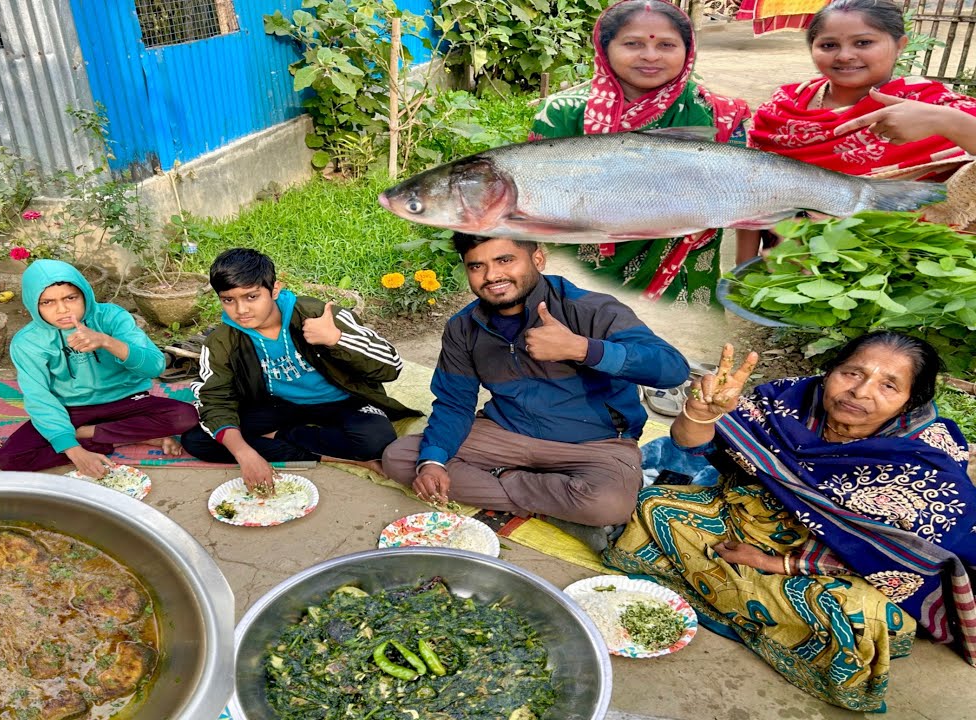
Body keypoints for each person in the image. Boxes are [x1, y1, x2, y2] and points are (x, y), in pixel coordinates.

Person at [605, 332, 976, 711]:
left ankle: (743, 590)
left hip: (848, 565)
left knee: (861, 618)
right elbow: (692, 444)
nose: (861, 392)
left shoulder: (927, 455)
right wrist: (700, 414)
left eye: (888, 385)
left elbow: (911, 557)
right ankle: (750, 597)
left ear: (910, 401)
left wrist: (772, 563)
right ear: (830, 370)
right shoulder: (787, 400)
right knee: (654, 504)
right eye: (852, 373)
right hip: (758, 516)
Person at [380, 234, 690, 527]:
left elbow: (672, 369)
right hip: (506, 432)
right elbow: (454, 402)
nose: (491, 276)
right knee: (402, 458)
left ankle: (508, 481)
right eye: (477, 266)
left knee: (609, 504)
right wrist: (433, 461)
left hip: (595, 443)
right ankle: (549, 501)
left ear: (538, 258)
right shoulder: (463, 327)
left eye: (505, 261)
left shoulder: (589, 309)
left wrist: (581, 349)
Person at [528, 0, 750, 307]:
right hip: (585, 266)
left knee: (677, 351)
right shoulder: (562, 112)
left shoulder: (718, 113)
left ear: (688, 50)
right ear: (605, 48)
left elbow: (738, 188)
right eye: (632, 44)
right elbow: (538, 196)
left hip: (683, 267)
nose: (650, 55)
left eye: (666, 44)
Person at [743, 0, 976, 260]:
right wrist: (741, 268)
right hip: (789, 267)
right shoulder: (781, 109)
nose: (844, 55)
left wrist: (945, 121)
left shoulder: (932, 104)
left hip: (905, 265)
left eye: (863, 43)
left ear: (900, 46)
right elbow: (750, 193)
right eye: (828, 45)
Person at [180, 248, 419, 494]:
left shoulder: (316, 314)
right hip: (280, 406)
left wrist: (335, 339)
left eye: (251, 297)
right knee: (198, 441)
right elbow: (213, 398)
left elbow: (391, 366)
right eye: (228, 300)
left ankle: (281, 437)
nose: (241, 310)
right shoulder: (223, 340)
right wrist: (244, 454)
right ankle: (333, 453)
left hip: (345, 399)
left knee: (377, 443)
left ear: (274, 290)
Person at [0, 260, 198, 478]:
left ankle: (88, 435)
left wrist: (106, 341)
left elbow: (154, 366)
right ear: (33, 304)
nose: (62, 309)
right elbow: (39, 396)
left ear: (84, 294)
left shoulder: (111, 317)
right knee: (9, 458)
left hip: (127, 400)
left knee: (185, 416)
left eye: (70, 298)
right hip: (72, 409)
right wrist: (74, 451)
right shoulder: (28, 342)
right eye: (47, 302)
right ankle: (121, 437)